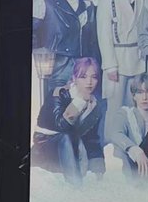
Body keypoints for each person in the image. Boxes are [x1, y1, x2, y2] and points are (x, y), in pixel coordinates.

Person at [33, 0, 99, 95]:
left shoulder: (87, 4)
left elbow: (93, 41)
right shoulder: (45, 0)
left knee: (79, 105)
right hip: (55, 67)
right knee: (55, 104)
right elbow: (32, 33)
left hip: (81, 70)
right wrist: (42, 57)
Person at [32, 57, 105, 185]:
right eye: (83, 77)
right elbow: (61, 126)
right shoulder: (59, 94)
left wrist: (98, 168)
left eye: (94, 77)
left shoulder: (94, 104)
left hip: (72, 148)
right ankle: (75, 185)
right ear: (74, 78)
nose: (89, 82)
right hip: (45, 146)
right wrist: (79, 102)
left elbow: (92, 137)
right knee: (65, 137)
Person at [96, 0, 147, 112]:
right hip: (117, 60)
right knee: (115, 107)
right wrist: (110, 66)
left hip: (137, 61)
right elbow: (104, 34)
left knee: (134, 108)